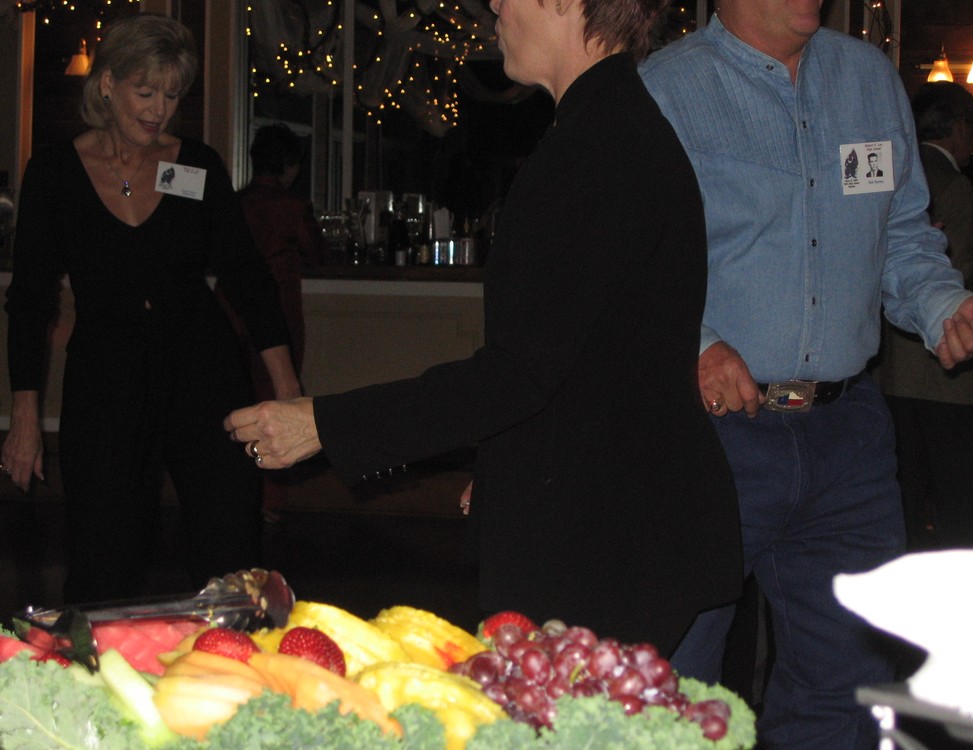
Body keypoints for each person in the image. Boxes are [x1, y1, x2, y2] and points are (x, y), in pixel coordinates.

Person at [224, 0, 744, 656]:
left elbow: (520, 372)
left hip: (611, 547)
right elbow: (594, 360)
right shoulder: (610, 128)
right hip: (623, 525)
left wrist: (325, 424)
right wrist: (508, 467)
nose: (494, 4)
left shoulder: (597, 147)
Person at [639, 2, 973, 748]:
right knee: (675, 687)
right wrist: (694, 344)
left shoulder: (869, 79)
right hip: (710, 436)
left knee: (845, 687)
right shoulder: (665, 89)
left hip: (848, 439)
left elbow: (902, 236)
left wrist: (942, 304)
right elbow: (627, 260)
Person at [1, 14, 301, 604]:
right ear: (107, 83)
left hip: (203, 374)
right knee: (102, 565)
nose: (160, 110)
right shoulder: (56, 173)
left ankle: (232, 660)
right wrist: (25, 416)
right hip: (105, 382)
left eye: (171, 95)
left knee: (230, 563)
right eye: (146, 92)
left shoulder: (192, 167)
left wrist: (287, 386)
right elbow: (30, 298)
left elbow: (245, 276)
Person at [874, 82, 973, 550]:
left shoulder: (896, 170)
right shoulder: (952, 182)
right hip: (951, 373)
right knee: (962, 509)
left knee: (903, 501)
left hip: (891, 375)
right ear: (958, 127)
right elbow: (963, 271)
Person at [217, 123, 324, 519]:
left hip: (229, 307)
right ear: (290, 164)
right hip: (277, 311)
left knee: (233, 399)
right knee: (276, 403)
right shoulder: (292, 206)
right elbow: (318, 255)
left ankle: (234, 497)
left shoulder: (235, 202)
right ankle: (269, 501)